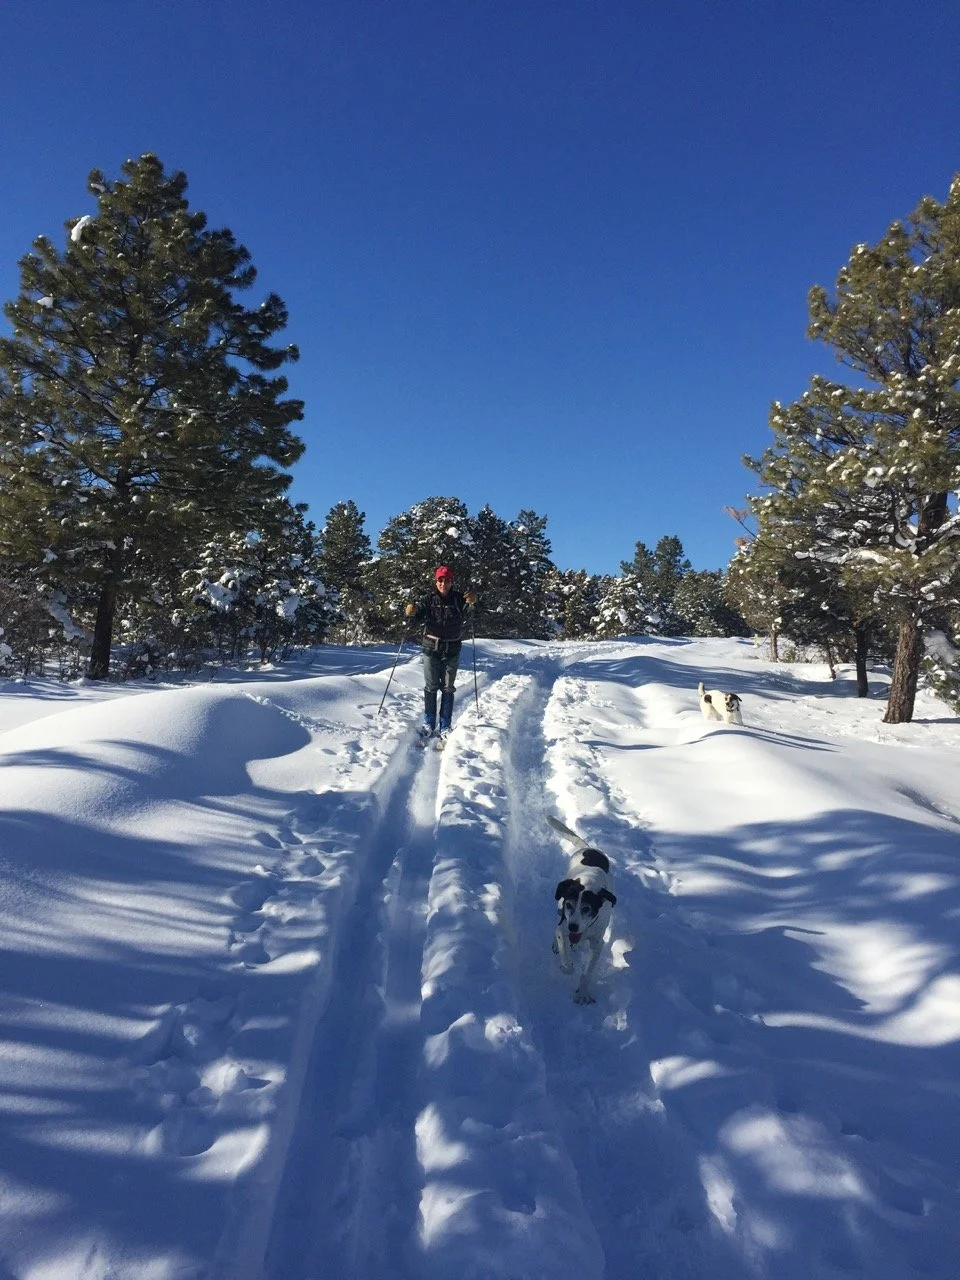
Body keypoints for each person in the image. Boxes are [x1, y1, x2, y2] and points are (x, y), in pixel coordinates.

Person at [404, 565, 477, 738]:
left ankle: (445, 725)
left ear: (451, 582)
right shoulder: (428, 600)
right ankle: (429, 722)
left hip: (452, 649)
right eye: (440, 580)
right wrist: (410, 613)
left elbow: (472, 616)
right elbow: (414, 620)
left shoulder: (460, 599)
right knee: (431, 687)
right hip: (431, 649)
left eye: (447, 580)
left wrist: (473, 604)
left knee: (448, 688)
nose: (443, 583)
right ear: (436, 581)